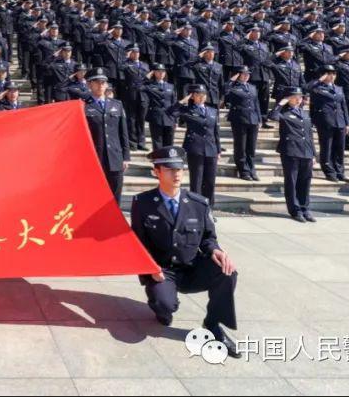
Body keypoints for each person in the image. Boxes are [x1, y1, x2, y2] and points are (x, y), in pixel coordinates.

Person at [129, 146, 239, 358]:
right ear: (156, 172)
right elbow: (137, 243)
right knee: (165, 306)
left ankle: (213, 324)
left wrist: (215, 250)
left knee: (227, 272)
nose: (177, 174)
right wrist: (150, 269)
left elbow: (208, 238)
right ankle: (160, 303)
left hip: (192, 267)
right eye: (170, 169)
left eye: (180, 168)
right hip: (162, 271)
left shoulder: (198, 203)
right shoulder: (142, 204)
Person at [267, 87, 316, 223]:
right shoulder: (284, 113)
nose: (298, 99)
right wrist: (281, 103)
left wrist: (313, 154)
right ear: (288, 98)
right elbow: (272, 116)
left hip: (306, 152)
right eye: (295, 96)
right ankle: (295, 210)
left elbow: (309, 135)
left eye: (300, 96)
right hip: (291, 152)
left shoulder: (304, 113)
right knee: (291, 182)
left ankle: (305, 208)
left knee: (305, 182)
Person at [167, 84, 222, 206]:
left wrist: (218, 149)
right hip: (195, 149)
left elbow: (215, 132)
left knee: (210, 182)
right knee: (196, 181)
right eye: (198, 94)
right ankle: (196, 208)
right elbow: (170, 112)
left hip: (211, 149)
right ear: (193, 96)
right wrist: (182, 101)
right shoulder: (188, 110)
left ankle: (208, 210)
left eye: (203, 94)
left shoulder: (213, 111)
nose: (202, 97)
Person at [81, 67, 130, 203]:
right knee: (95, 195)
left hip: (115, 157)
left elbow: (123, 132)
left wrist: (126, 157)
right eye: (96, 82)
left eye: (103, 82)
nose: (100, 85)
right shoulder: (83, 106)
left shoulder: (117, 105)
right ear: (89, 84)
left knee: (115, 195)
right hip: (95, 157)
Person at [308, 65, 349, 183]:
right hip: (325, 121)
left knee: (339, 149)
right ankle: (329, 171)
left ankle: (340, 172)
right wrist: (320, 80)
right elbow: (307, 88)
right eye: (329, 73)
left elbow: (344, 107)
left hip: (340, 121)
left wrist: (347, 123)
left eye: (334, 74)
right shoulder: (318, 88)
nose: (332, 76)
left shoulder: (339, 88)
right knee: (327, 147)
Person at [223, 66, 261, 181]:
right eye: (243, 74)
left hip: (253, 119)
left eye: (247, 74)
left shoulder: (252, 87)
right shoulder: (233, 87)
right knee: (241, 146)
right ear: (238, 75)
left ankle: (251, 168)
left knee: (251, 147)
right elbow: (224, 90)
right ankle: (243, 170)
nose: (246, 76)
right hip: (239, 119)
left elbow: (256, 104)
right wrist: (232, 79)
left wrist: (259, 119)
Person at [142, 64, 176, 149]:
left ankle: (168, 162)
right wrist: (147, 77)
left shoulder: (170, 86)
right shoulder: (150, 86)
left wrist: (175, 119)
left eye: (163, 71)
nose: (161, 73)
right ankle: (158, 162)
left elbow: (174, 103)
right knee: (157, 142)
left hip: (169, 118)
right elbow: (137, 86)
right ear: (154, 73)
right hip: (156, 118)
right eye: (158, 71)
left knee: (169, 143)